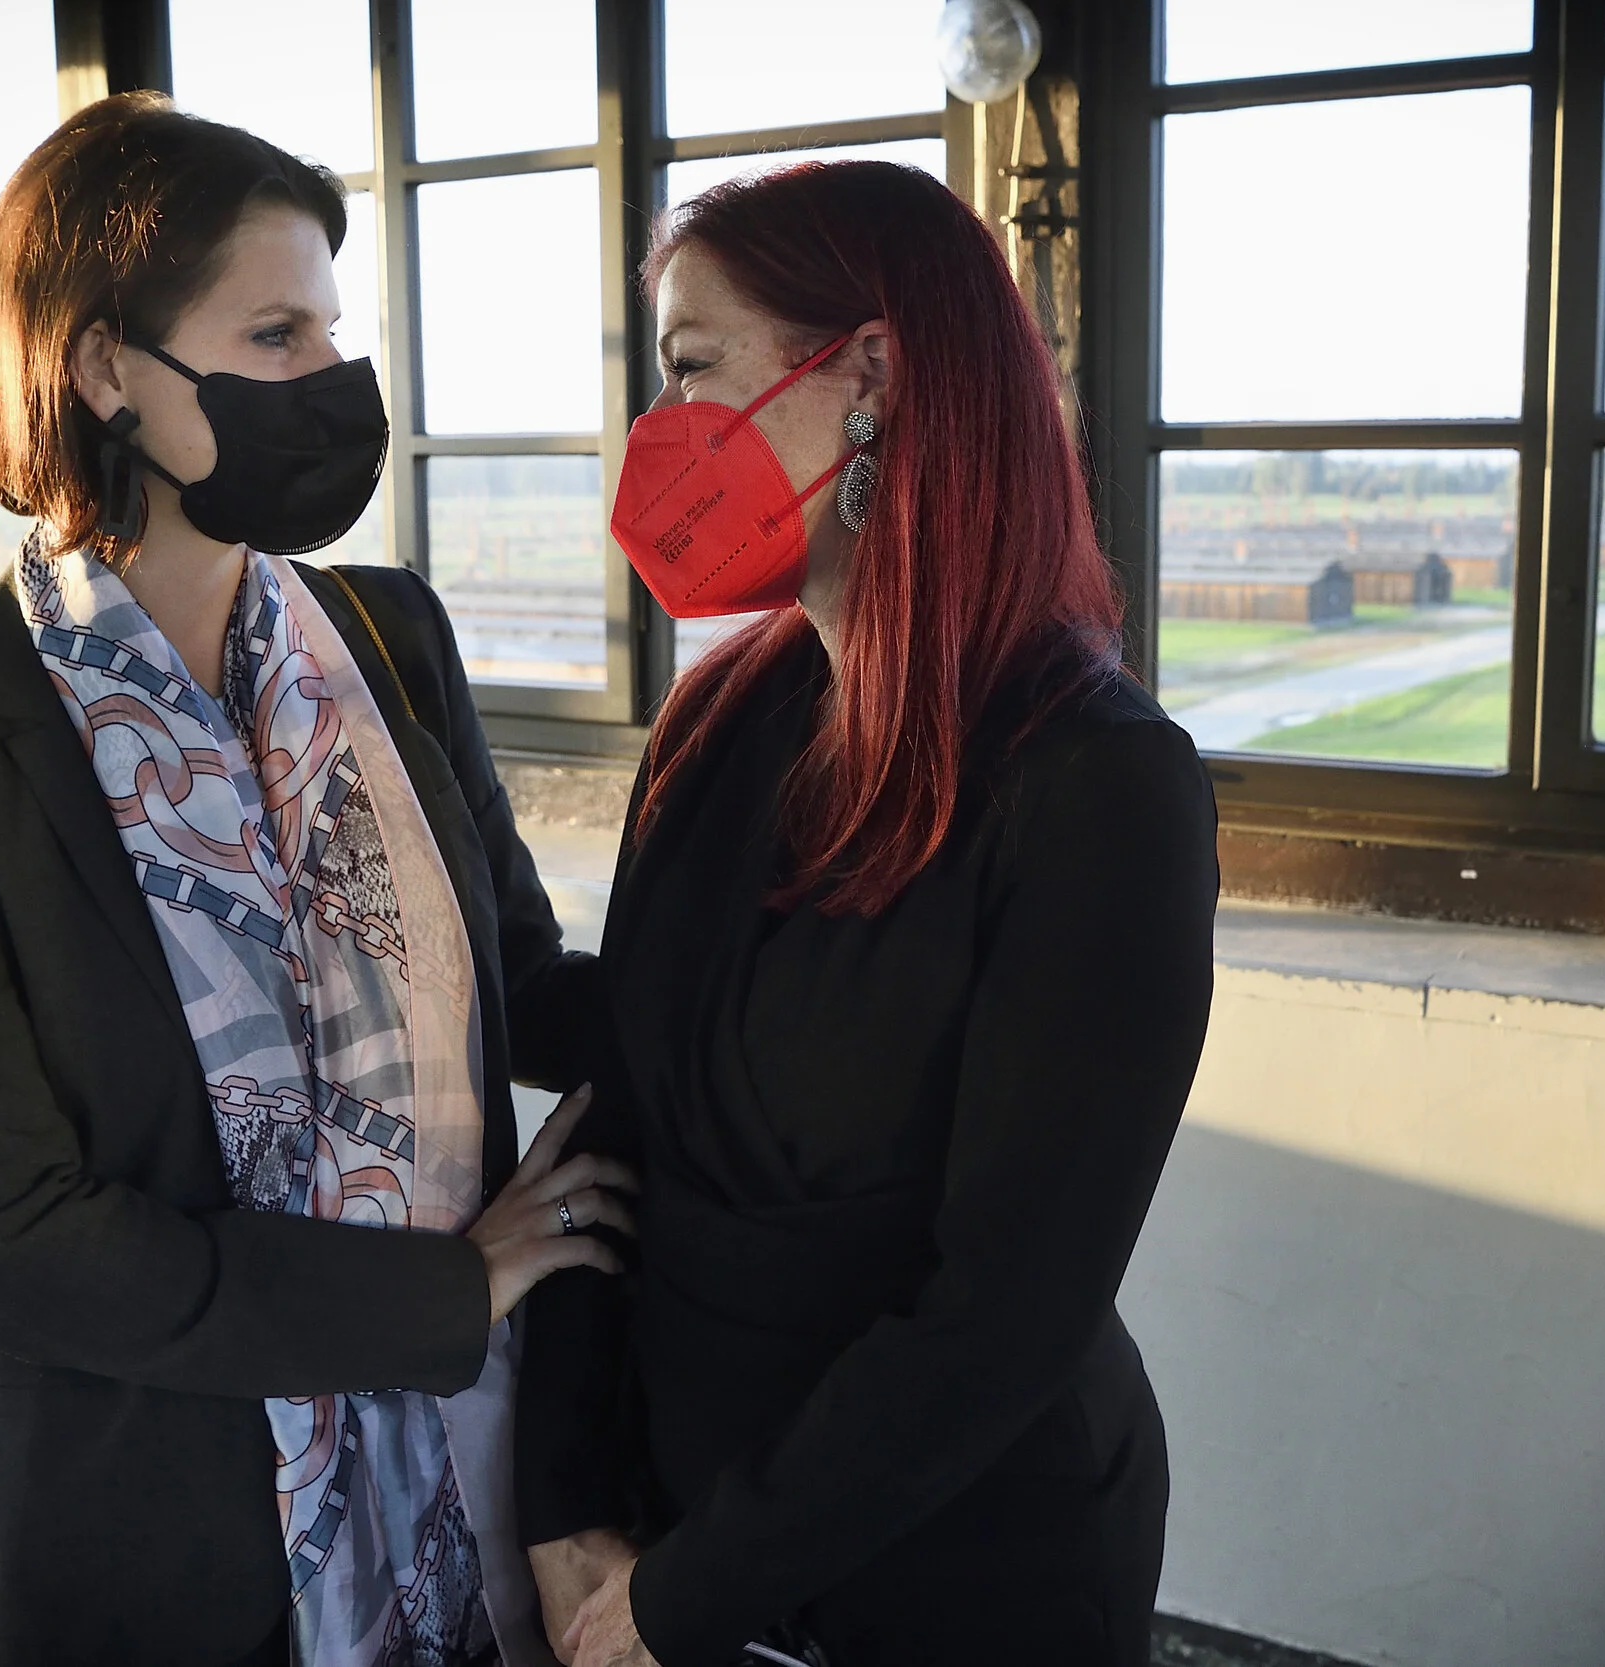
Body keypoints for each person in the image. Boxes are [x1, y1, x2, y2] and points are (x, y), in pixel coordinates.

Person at [0, 93, 629, 1667]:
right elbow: (17, 1244)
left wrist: (788, 981)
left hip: (460, 1465)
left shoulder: (390, 639)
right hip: (144, 1529)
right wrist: (450, 1288)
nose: (334, 381)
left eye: (333, 331)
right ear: (105, 368)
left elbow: (517, 984)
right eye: (275, 335)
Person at [514, 161, 1221, 1667]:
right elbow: (614, 1122)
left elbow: (1008, 1312)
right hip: (662, 1530)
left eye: (695, 367)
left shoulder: (1102, 784)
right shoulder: (714, 726)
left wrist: (685, 1597)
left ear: (873, 378)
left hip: (956, 1565)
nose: (664, 430)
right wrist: (564, 1502)